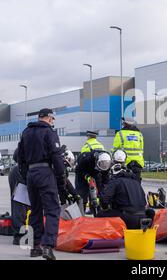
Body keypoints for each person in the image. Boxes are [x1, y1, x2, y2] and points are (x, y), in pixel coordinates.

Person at [17, 108, 66, 260]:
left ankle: (35, 247)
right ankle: (48, 246)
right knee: (52, 209)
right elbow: (56, 156)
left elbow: (20, 157)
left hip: (31, 174)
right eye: (52, 118)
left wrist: (27, 175)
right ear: (49, 118)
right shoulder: (49, 132)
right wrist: (61, 176)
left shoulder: (26, 132)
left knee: (35, 210)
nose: (53, 121)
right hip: (45, 173)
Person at [97, 150, 155, 228]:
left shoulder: (115, 181)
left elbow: (104, 200)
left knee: (100, 214)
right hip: (143, 218)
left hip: (128, 219)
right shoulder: (136, 182)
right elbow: (144, 202)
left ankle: (111, 237)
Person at [75, 131, 106, 212]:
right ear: (95, 137)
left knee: (83, 192)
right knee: (97, 192)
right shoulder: (101, 145)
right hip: (97, 171)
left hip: (87, 170)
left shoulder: (86, 145)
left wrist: (86, 176)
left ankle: (82, 209)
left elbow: (82, 162)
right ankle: (96, 210)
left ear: (88, 137)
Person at [8, 149, 30, 245]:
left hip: (22, 171)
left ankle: (22, 233)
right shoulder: (30, 141)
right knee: (19, 205)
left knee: (24, 205)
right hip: (20, 172)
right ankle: (19, 236)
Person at [112, 117, 144, 182]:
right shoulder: (139, 134)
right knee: (136, 183)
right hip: (138, 163)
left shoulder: (120, 134)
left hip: (125, 163)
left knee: (125, 183)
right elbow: (141, 148)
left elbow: (114, 149)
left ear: (124, 123)